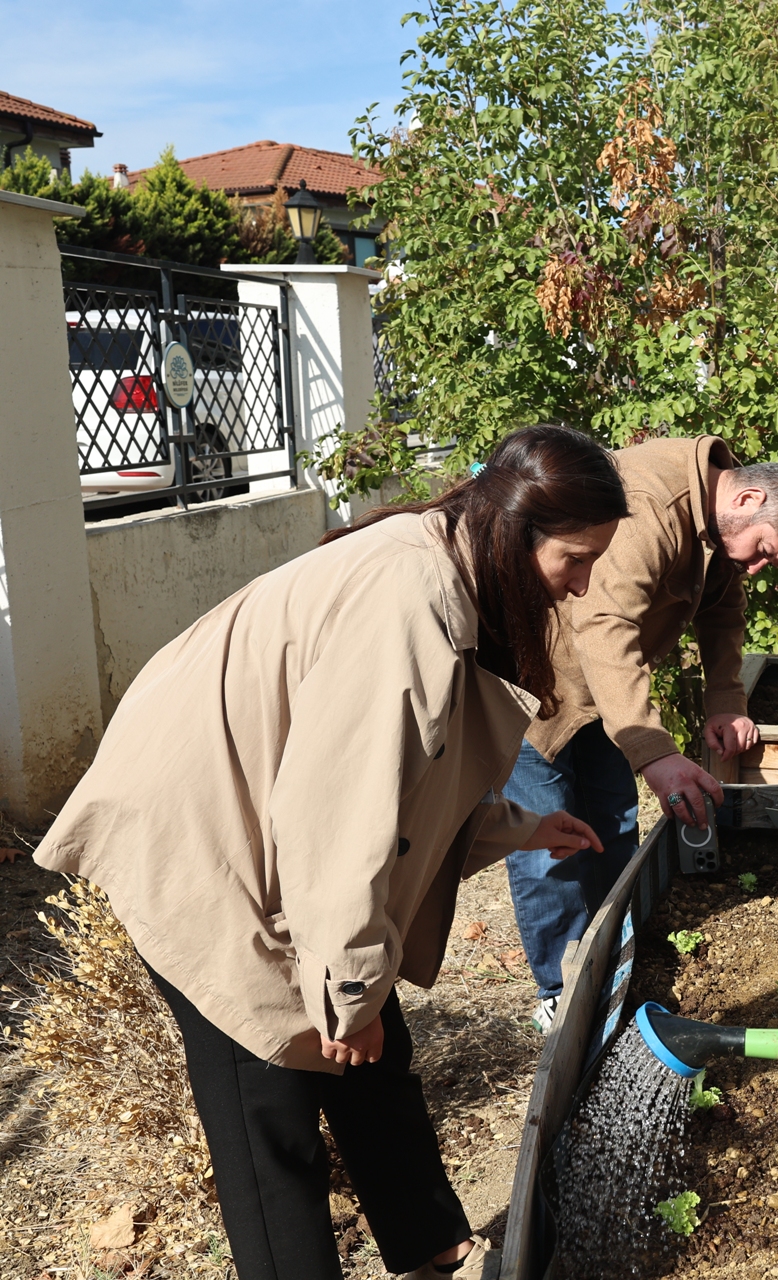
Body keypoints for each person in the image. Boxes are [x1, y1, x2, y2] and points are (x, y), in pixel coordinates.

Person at [34, 426, 628, 1280]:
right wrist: (348, 989)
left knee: (369, 1047)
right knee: (269, 1100)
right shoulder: (408, 602)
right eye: (575, 558)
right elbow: (337, 816)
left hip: (266, 818)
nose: (583, 583)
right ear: (515, 530)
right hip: (201, 834)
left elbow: (407, 774)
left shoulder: (451, 563)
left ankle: (437, 1251)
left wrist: (515, 826)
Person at [509, 437, 778, 1029]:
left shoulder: (719, 519)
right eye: (762, 551)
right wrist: (654, 752)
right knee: (551, 849)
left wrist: (725, 699)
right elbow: (603, 623)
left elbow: (723, 611)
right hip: (538, 689)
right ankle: (562, 994)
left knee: (612, 832)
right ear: (749, 499)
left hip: (609, 698)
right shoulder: (650, 500)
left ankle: (611, 971)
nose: (757, 567)